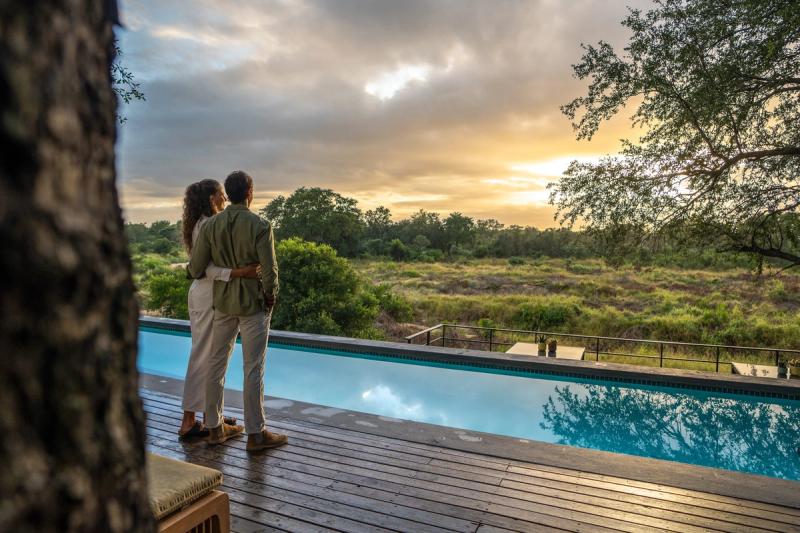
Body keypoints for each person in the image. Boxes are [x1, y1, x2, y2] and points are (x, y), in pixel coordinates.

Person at [188, 170, 287, 452]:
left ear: (228, 194)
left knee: (215, 366)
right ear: (249, 192)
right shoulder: (260, 225)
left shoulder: (210, 226)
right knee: (253, 368)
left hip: (222, 305)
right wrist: (271, 295)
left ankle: (215, 429)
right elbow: (269, 271)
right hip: (253, 305)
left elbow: (195, 269)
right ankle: (256, 434)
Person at [178, 179, 260, 440]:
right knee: (205, 357)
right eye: (220, 195)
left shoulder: (204, 223)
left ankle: (211, 417)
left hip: (207, 295)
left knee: (211, 357)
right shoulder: (205, 225)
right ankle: (189, 421)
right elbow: (205, 269)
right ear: (211, 198)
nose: (224, 198)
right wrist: (240, 272)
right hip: (208, 295)